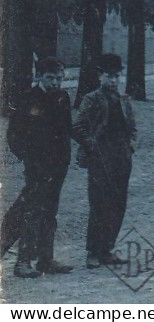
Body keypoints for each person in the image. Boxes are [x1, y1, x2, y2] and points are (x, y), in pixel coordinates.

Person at [2, 58, 75, 277]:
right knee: (30, 211)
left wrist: (65, 159)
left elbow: (66, 131)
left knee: (50, 211)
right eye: (50, 78)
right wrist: (29, 158)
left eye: (59, 78)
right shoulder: (27, 99)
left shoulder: (63, 98)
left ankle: (46, 260)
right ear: (39, 76)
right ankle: (22, 263)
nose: (56, 82)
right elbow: (13, 135)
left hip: (58, 166)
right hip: (37, 166)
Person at [73, 53, 136, 268]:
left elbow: (133, 129)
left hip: (121, 159)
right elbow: (78, 127)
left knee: (118, 204)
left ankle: (107, 249)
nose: (113, 81)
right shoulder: (91, 99)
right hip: (100, 160)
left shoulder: (125, 100)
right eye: (109, 76)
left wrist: (130, 146)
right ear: (100, 76)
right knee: (99, 204)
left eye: (117, 76)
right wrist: (93, 147)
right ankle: (93, 252)